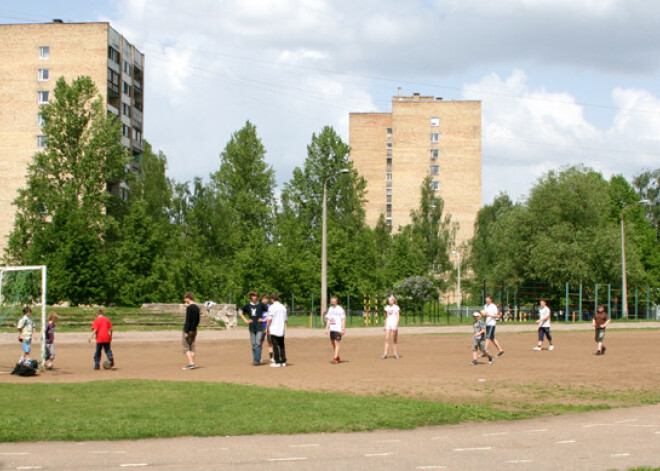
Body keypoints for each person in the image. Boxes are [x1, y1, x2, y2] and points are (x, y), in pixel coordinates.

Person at [238, 291, 269, 365]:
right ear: (251, 297)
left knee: (258, 343)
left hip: (259, 326)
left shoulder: (261, 304)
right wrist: (246, 320)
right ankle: (255, 358)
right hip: (252, 327)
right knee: (253, 344)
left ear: (257, 297)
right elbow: (240, 312)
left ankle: (257, 360)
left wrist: (264, 319)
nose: (254, 297)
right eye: (253, 296)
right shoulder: (248, 305)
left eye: (256, 296)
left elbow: (270, 311)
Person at [265, 293, 287, 367]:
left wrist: (267, 328)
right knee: (281, 345)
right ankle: (283, 361)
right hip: (281, 329)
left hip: (274, 329)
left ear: (272, 299)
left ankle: (277, 361)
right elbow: (285, 319)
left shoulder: (272, 307)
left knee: (275, 346)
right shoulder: (283, 307)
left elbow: (269, 319)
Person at [324, 295, 346, 364]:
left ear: (336, 301)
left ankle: (335, 358)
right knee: (333, 343)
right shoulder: (330, 309)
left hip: (338, 329)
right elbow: (329, 319)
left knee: (336, 343)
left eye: (334, 301)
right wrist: (326, 328)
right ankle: (338, 357)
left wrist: (343, 329)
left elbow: (343, 319)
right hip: (332, 329)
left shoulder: (340, 309)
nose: (332, 302)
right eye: (331, 301)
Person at [182, 291, 200, 370]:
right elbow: (197, 320)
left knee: (186, 347)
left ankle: (191, 363)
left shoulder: (189, 308)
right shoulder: (197, 307)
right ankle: (192, 362)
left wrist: (186, 331)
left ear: (188, 298)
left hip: (188, 330)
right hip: (194, 330)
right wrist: (195, 328)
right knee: (192, 346)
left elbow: (188, 320)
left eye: (185, 298)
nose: (184, 299)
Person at [259, 294, 275, 363]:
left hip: (269, 327)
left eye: (266, 299)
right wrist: (263, 320)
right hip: (261, 326)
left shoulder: (271, 307)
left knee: (270, 342)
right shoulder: (259, 307)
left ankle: (271, 357)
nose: (265, 300)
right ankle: (259, 357)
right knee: (260, 343)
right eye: (263, 299)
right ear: (261, 300)